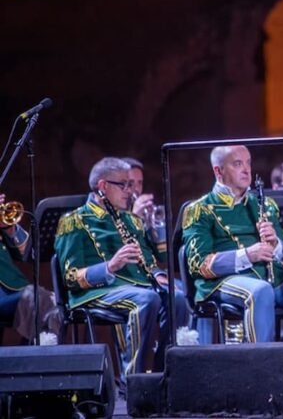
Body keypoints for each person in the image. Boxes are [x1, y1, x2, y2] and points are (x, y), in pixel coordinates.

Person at [54, 158, 189, 381]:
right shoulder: (74, 221)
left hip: (135, 287)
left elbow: (149, 260)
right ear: (103, 186)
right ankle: (133, 381)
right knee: (146, 299)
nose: (130, 191)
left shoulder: (130, 220)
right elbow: (70, 276)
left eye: (131, 185)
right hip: (95, 292)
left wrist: (158, 275)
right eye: (123, 185)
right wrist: (110, 266)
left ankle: (163, 376)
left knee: (178, 298)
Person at [182, 145, 283, 342]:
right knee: (260, 291)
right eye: (237, 164)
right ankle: (261, 360)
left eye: (248, 163)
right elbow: (198, 264)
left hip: (271, 279)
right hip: (223, 281)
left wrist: (276, 244)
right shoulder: (201, 209)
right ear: (219, 171)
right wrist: (247, 255)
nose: (246, 170)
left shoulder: (264, 205)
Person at [0, 194, 59, 342]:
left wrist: (8, 228)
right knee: (37, 298)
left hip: (11, 289)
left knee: (51, 301)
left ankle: (37, 351)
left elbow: (27, 253)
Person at [122, 157, 166, 261]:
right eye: (131, 183)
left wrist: (156, 225)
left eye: (140, 183)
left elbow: (164, 256)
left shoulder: (145, 213)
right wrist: (134, 217)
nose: (136, 189)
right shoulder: (113, 214)